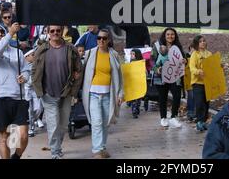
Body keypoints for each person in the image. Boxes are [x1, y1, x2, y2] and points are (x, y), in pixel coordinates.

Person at [32, 25, 83, 159]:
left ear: (62, 32)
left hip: (65, 93)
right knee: (53, 124)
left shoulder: (70, 49)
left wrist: (74, 91)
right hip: (48, 93)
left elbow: (79, 70)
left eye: (58, 30)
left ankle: (57, 146)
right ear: (48, 33)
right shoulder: (42, 50)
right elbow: (34, 70)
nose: (55, 33)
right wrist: (37, 89)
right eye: (52, 31)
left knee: (63, 125)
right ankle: (55, 152)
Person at [0, 23, 30, 159]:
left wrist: (25, 77)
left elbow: (26, 69)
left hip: (18, 98)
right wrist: (10, 34)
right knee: (5, 136)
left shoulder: (17, 52)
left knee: (22, 135)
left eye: (1, 32)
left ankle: (16, 157)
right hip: (0, 99)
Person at [82, 28, 123, 159]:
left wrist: (120, 94)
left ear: (109, 40)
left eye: (104, 38)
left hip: (108, 95)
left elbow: (120, 77)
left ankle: (102, 147)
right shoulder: (90, 53)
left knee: (105, 122)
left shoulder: (114, 55)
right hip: (93, 94)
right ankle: (97, 151)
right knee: (97, 122)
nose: (101, 40)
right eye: (99, 38)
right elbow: (79, 68)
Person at [151, 27, 185, 128]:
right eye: (168, 34)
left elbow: (184, 59)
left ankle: (173, 117)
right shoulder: (157, 46)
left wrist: (185, 61)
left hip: (175, 76)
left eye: (172, 34)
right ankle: (163, 118)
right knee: (163, 97)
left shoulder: (177, 47)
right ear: (164, 36)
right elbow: (152, 60)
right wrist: (157, 69)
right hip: (161, 77)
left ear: (175, 36)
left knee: (177, 95)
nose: (170, 36)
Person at [189, 35, 212, 131]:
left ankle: (205, 120)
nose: (203, 42)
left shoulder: (209, 54)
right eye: (200, 41)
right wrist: (198, 72)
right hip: (197, 83)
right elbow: (192, 68)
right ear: (197, 43)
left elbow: (212, 66)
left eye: (204, 41)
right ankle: (199, 121)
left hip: (207, 83)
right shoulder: (195, 54)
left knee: (206, 102)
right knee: (199, 102)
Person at [23, 48, 43, 137]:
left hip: (35, 89)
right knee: (29, 110)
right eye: (33, 55)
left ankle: (36, 118)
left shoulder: (37, 64)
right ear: (27, 56)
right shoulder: (22, 66)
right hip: (26, 90)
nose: (35, 56)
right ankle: (31, 128)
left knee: (39, 108)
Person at [128, 48, 145, 119]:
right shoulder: (130, 63)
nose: (131, 55)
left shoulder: (141, 63)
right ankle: (134, 110)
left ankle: (136, 108)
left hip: (139, 83)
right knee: (133, 98)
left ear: (137, 55)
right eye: (131, 54)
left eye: (133, 54)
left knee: (138, 98)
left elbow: (144, 72)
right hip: (132, 83)